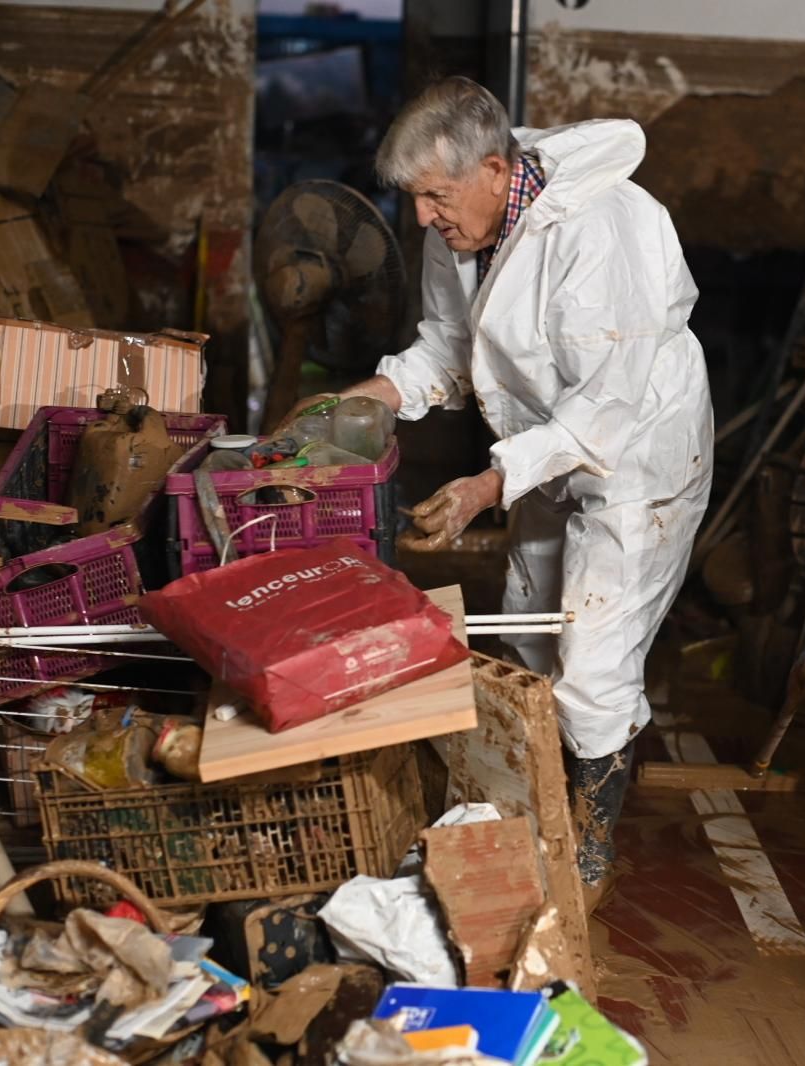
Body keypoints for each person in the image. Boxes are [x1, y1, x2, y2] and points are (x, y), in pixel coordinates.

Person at [283, 77, 713, 906]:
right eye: (415, 200)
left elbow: (601, 412)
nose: (423, 219)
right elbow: (447, 346)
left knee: (591, 663)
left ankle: (587, 847)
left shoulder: (603, 228)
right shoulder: (464, 222)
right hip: (537, 447)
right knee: (526, 632)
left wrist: (488, 484)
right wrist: (365, 398)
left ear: (491, 168)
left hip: (636, 464)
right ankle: (534, 816)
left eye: (435, 197)